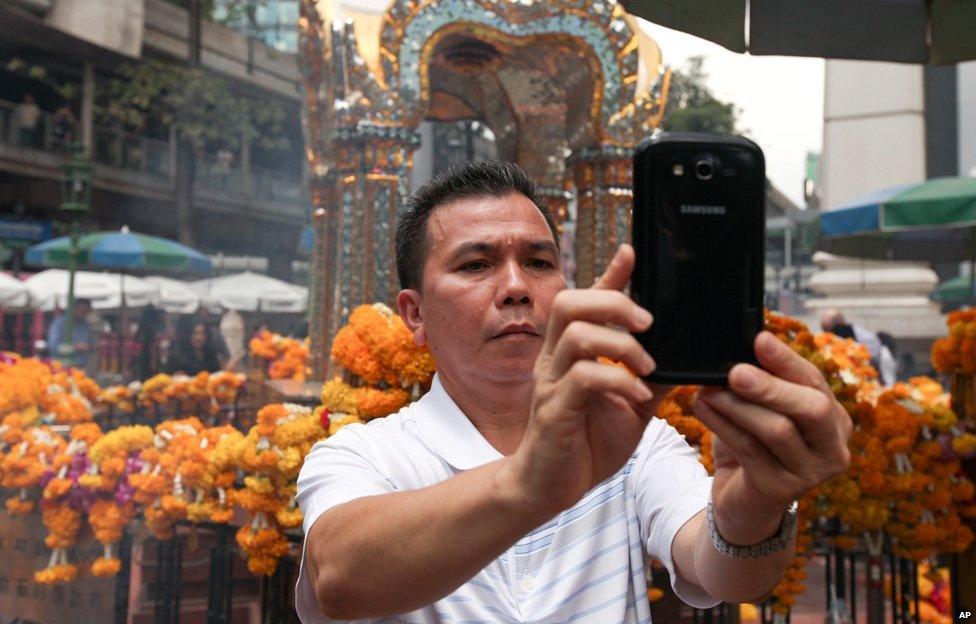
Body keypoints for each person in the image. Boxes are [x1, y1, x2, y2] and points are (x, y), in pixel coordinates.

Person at [296, 161, 852, 623]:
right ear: (415, 314)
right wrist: (528, 483)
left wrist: (756, 506)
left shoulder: (635, 441)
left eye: (538, 262)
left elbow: (728, 571)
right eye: (475, 264)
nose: (516, 287)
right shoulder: (362, 454)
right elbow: (339, 579)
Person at [820, 309, 895, 384]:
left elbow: (870, 361)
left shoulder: (865, 338)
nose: (827, 335)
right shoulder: (832, 339)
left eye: (829, 331)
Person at [47, 298, 95, 368]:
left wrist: (90, 347)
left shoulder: (85, 325)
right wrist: (74, 347)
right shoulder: (59, 323)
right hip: (61, 366)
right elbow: (52, 345)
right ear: (73, 309)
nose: (83, 313)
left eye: (86, 311)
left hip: (80, 366)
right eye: (81, 310)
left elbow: (90, 344)